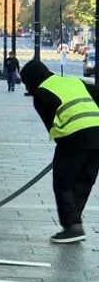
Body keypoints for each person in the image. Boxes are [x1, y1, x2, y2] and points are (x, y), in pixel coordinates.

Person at [20, 60, 99, 243]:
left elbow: (51, 125)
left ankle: (72, 227)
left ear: (32, 80)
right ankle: (75, 224)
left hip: (74, 136)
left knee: (63, 181)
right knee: (84, 180)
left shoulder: (41, 93)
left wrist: (64, 144)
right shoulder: (74, 81)